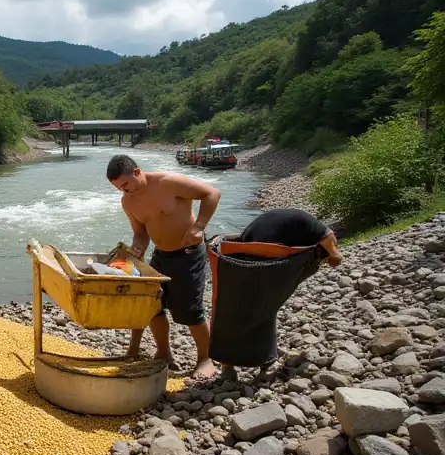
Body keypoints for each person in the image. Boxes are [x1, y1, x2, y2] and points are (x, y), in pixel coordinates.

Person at [107, 154, 222, 379]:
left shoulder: (169, 182)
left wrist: (199, 226)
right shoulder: (128, 201)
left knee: (190, 310)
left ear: (137, 172)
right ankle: (164, 352)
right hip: (160, 255)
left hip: (188, 254)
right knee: (153, 306)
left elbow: (211, 194)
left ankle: (205, 358)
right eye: (119, 188)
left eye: (126, 185)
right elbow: (140, 233)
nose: (124, 191)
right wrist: (137, 249)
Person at [215, 208, 344, 382]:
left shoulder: (299, 223)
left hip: (241, 254)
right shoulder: (323, 234)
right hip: (265, 257)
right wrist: (335, 257)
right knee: (265, 309)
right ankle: (266, 364)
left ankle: (227, 365)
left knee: (237, 308)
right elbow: (332, 249)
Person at [238, 208, 343, 267]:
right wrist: (334, 257)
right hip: (266, 238)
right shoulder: (327, 237)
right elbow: (336, 258)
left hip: (250, 232)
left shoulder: (311, 228)